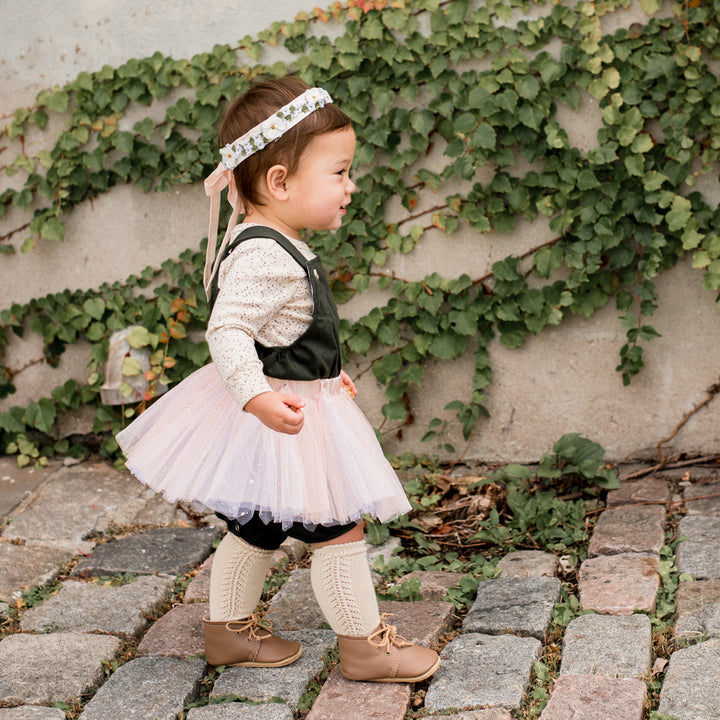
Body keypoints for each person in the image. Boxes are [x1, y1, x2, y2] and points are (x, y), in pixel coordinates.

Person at [116, 76, 440, 683]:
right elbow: (229, 331)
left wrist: (328, 376)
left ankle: (228, 632)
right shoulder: (268, 255)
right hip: (286, 420)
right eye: (340, 172)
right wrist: (258, 397)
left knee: (259, 524)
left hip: (297, 404)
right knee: (338, 527)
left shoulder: (273, 238)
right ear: (280, 182)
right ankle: (365, 647)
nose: (352, 186)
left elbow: (285, 335)